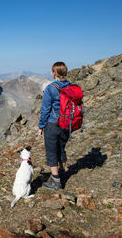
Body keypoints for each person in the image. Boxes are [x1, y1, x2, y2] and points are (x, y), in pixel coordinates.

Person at [38, 62, 71, 191]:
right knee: (61, 149)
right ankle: (62, 173)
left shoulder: (50, 88)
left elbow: (45, 109)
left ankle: (56, 181)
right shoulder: (71, 86)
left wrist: (41, 126)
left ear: (54, 73)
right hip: (67, 124)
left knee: (51, 152)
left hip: (53, 124)